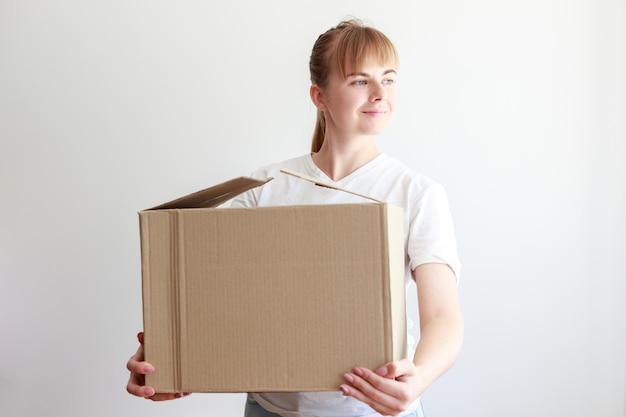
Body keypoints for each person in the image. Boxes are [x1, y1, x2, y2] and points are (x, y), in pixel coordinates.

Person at [126, 18, 463, 417]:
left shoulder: (416, 193)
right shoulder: (264, 188)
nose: (378, 94)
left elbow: (443, 315)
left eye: (388, 80)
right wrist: (164, 357)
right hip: (271, 409)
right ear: (319, 96)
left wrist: (419, 377)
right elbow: (208, 295)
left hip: (371, 410)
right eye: (359, 81)